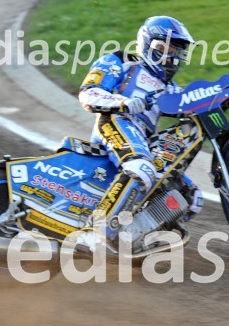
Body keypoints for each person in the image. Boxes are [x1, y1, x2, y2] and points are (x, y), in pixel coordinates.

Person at [75, 15, 204, 249]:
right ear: (147, 43)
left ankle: (135, 237)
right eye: (164, 48)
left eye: (176, 51)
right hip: (115, 122)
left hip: (142, 141)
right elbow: (88, 93)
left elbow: (197, 104)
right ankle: (94, 232)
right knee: (141, 167)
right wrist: (123, 102)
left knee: (192, 196)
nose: (171, 57)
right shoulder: (120, 61)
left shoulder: (170, 89)